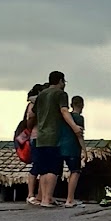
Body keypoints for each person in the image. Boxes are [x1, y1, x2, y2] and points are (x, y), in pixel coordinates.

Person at [30, 72, 82, 207]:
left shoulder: (41, 95)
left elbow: (32, 114)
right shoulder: (60, 94)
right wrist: (75, 127)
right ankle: (47, 199)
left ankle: (43, 198)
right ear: (60, 81)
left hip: (40, 136)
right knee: (53, 169)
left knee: (43, 168)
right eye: (64, 82)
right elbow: (64, 111)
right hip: (54, 135)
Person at [58, 94, 86, 207]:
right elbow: (79, 135)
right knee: (75, 171)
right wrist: (84, 150)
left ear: (71, 105)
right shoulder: (79, 118)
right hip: (73, 148)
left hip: (60, 147)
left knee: (55, 173)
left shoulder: (64, 117)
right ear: (82, 105)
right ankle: (70, 199)